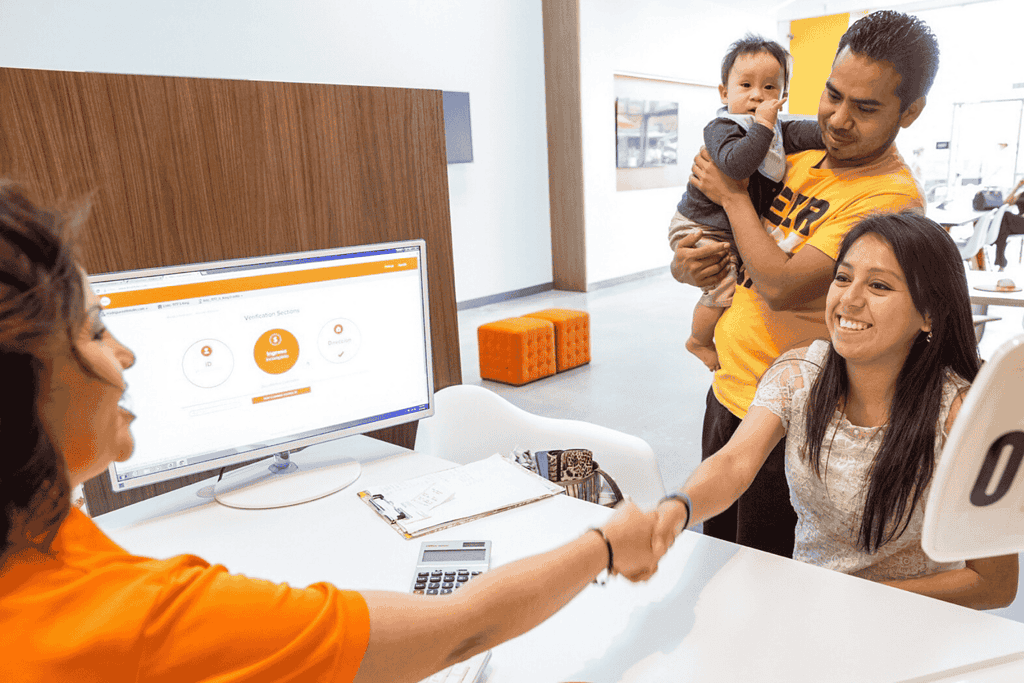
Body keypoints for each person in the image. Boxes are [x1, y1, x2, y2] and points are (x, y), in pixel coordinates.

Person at [0, 181, 663, 683]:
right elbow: (455, 632)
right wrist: (604, 543)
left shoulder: (48, 543)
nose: (126, 354)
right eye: (90, 330)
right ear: (22, 387)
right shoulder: (141, 619)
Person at [670, 10, 936, 558]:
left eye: (865, 108)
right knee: (715, 553)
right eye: (832, 95)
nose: (837, 120)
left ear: (910, 112)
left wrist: (732, 194)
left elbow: (781, 283)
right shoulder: (802, 151)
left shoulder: (888, 198)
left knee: (767, 571)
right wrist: (688, 263)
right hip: (728, 388)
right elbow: (733, 244)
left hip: (790, 416)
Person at [654, 213, 1018, 609]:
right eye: (843, 278)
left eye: (878, 285)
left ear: (928, 313)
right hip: (810, 612)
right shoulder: (798, 375)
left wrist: (849, 600)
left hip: (912, 623)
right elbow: (734, 463)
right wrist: (677, 508)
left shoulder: (962, 414)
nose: (849, 299)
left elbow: (994, 584)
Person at [667, 34, 822, 372]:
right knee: (722, 286)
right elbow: (737, 165)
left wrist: (832, 129)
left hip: (725, 228)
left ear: (783, 95)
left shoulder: (777, 129)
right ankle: (698, 340)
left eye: (770, 88)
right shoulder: (723, 127)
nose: (757, 95)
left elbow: (818, 132)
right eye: (746, 85)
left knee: (729, 283)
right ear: (725, 92)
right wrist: (765, 124)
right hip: (699, 225)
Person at [993, 177, 1024, 270]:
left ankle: (1000, 259)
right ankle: (1001, 260)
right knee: (1003, 228)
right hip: (1019, 222)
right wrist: (1017, 187)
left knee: (1005, 217)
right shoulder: (1022, 194)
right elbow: (1006, 202)